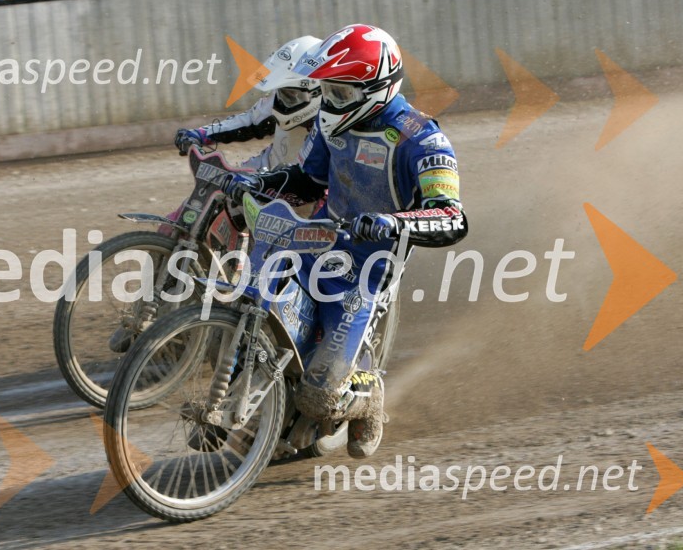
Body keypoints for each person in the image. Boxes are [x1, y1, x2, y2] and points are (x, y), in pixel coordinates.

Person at [222, 24, 468, 458]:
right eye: (328, 90)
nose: (330, 102)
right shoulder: (327, 120)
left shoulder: (423, 139)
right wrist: (258, 184)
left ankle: (367, 394)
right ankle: (237, 406)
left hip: (368, 268)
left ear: (376, 89)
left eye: (340, 92)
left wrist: (391, 223)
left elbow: (451, 216)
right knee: (253, 308)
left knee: (318, 396)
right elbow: (308, 179)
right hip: (318, 237)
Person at [173, 35, 323, 172]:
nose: (283, 101)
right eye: (283, 92)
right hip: (269, 177)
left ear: (317, 90)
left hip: (310, 191)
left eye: (291, 95)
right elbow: (250, 121)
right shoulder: (284, 100)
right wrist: (201, 134)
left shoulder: (337, 127)